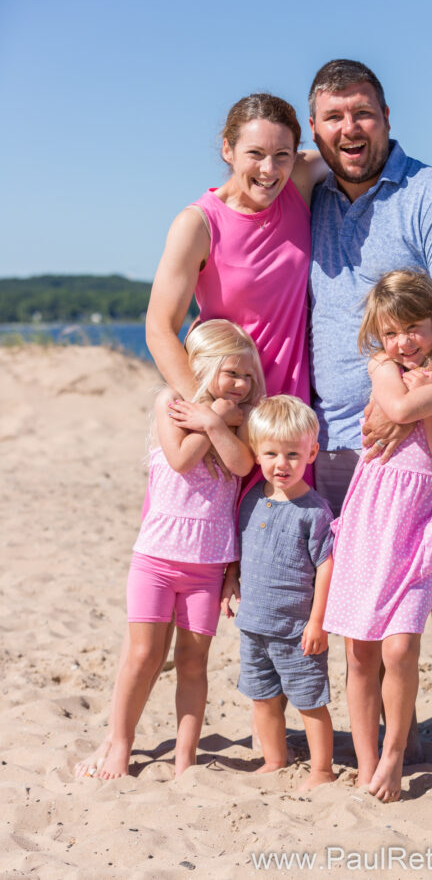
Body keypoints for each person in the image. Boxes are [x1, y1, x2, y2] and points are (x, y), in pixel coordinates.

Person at [75, 92, 325, 779]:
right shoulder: (199, 221)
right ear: (225, 148)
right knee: (218, 583)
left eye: (281, 154)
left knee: (285, 582)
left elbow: (353, 150)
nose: (269, 170)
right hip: (226, 408)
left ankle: (292, 739)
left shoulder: (304, 179)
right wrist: (202, 408)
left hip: (285, 423)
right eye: (254, 154)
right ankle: (157, 741)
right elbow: (160, 326)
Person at [308, 59, 432, 804]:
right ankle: (389, 741)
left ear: (387, 117)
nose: (350, 129)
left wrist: (425, 397)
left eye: (362, 113)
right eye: (334, 117)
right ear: (317, 127)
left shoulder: (431, 193)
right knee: (365, 605)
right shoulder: (315, 194)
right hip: (340, 439)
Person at [323, 269, 432, 802]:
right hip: (371, 526)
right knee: (360, 654)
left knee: (399, 649)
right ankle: (368, 761)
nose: (403, 342)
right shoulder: (384, 367)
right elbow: (395, 409)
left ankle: (393, 756)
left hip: (418, 534)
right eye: (392, 332)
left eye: (414, 328)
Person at [89, 320, 265, 779]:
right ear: (203, 368)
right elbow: (181, 458)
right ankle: (120, 744)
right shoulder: (169, 402)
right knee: (144, 655)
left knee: (193, 662)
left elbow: (243, 463)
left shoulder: (243, 419)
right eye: (232, 374)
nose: (242, 385)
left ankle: (185, 760)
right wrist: (210, 418)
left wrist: (215, 419)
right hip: (157, 558)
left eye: (248, 376)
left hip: (207, 565)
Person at [221, 395, 336, 791]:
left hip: (296, 630)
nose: (281, 463)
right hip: (253, 625)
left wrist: (317, 622)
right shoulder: (251, 500)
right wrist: (230, 579)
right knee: (263, 697)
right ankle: (275, 758)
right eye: (271, 453)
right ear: (256, 453)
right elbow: (242, 547)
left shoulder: (315, 511)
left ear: (312, 452)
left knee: (309, 701)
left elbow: (326, 567)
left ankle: (322, 769)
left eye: (292, 454)